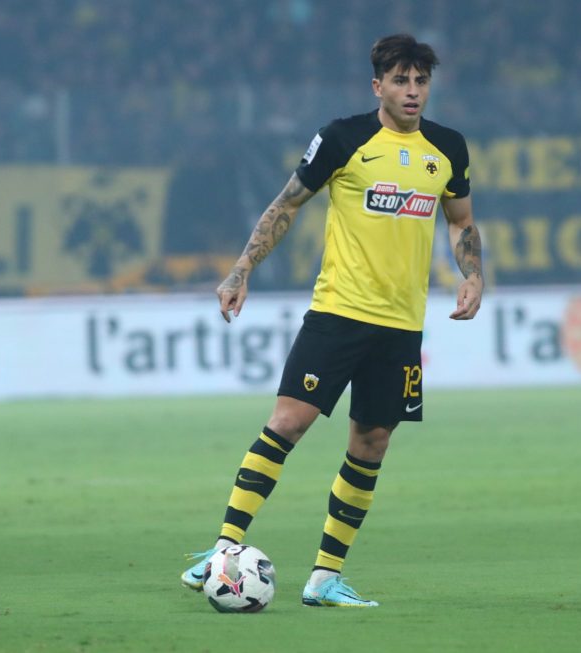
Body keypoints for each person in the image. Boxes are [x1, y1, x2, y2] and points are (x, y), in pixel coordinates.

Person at [181, 33, 484, 608]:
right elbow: (287, 203)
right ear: (378, 86)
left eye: (421, 81)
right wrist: (241, 270)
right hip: (337, 313)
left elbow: (460, 220)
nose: (413, 91)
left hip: (401, 326)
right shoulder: (344, 138)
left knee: (371, 444)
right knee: (288, 423)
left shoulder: (448, 148)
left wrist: (472, 274)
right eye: (401, 80)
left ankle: (325, 577)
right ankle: (222, 551)